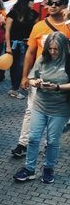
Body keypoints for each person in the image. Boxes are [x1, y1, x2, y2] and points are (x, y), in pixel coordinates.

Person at [11, 0, 70, 158]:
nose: (52, 6)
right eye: (50, 3)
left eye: (57, 3)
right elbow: (30, 53)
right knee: (31, 111)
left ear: (65, 6)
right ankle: (23, 143)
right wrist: (25, 77)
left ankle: (48, 145)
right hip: (39, 78)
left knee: (56, 115)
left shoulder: (68, 26)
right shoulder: (38, 27)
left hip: (61, 80)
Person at [13, 32, 69, 184]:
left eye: (56, 49)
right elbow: (31, 78)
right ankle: (29, 169)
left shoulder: (68, 61)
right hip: (40, 105)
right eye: (50, 49)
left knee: (52, 141)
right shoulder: (43, 59)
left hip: (60, 109)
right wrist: (35, 83)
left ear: (63, 47)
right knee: (33, 138)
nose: (52, 52)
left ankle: (48, 168)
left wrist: (57, 87)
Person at [5, 0, 38, 99]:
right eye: (32, 0)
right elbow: (7, 31)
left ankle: (17, 87)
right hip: (15, 44)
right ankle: (15, 88)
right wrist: (8, 46)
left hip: (27, 44)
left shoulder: (34, 14)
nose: (34, 2)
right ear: (26, 1)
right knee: (14, 67)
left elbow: (36, 30)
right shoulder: (13, 13)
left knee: (22, 66)